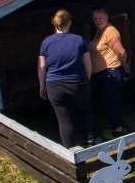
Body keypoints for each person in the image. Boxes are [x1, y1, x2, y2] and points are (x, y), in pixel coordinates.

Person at [38, 9, 96, 148]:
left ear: (54, 23)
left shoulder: (46, 42)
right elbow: (88, 64)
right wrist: (86, 81)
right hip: (77, 83)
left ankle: (69, 149)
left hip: (55, 85)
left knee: (64, 119)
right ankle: (89, 142)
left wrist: (42, 86)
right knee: (84, 110)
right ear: (69, 23)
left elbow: (42, 66)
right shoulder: (78, 40)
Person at [89, 6, 129, 138]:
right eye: (95, 18)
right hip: (104, 73)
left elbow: (121, 52)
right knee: (111, 101)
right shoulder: (100, 30)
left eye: (100, 18)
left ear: (107, 17)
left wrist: (123, 63)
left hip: (111, 72)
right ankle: (118, 127)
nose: (98, 21)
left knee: (112, 102)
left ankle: (118, 132)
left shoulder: (110, 31)